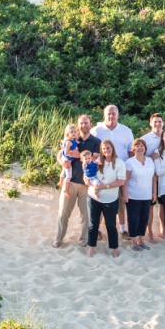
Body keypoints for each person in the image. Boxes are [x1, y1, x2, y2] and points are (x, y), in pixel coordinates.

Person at [53, 113, 101, 248]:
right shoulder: (72, 137)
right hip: (71, 183)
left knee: (86, 216)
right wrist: (62, 161)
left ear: (90, 124)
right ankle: (58, 239)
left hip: (87, 185)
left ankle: (83, 241)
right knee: (63, 213)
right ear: (78, 124)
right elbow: (60, 153)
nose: (83, 125)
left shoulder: (96, 141)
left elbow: (96, 158)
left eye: (86, 123)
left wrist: (78, 155)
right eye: (81, 123)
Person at [94, 105, 135, 237]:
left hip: (120, 172)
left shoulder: (126, 131)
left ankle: (123, 229)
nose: (111, 116)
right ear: (104, 115)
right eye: (108, 114)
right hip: (102, 172)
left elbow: (131, 153)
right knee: (100, 200)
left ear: (118, 115)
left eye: (113, 114)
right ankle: (99, 230)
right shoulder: (96, 131)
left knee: (121, 202)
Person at [87, 138, 126, 258]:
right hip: (94, 197)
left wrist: (105, 186)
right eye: (104, 149)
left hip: (110, 199)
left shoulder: (119, 163)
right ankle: (91, 248)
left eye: (108, 148)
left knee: (111, 224)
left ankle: (114, 248)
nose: (106, 150)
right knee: (93, 224)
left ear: (112, 148)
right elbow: (88, 176)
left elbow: (121, 181)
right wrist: (93, 184)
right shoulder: (97, 161)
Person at [124, 139, 157, 252]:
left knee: (144, 219)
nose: (140, 148)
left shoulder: (150, 161)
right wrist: (125, 194)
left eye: (142, 146)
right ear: (133, 149)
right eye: (137, 146)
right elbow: (126, 179)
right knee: (134, 219)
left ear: (145, 148)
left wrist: (154, 193)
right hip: (133, 196)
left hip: (147, 196)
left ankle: (141, 241)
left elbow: (154, 177)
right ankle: (134, 242)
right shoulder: (129, 162)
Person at [141, 113, 165, 242]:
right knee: (150, 206)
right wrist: (150, 157)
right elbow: (137, 157)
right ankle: (149, 231)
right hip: (151, 178)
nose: (157, 124)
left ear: (163, 123)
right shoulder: (144, 139)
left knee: (163, 205)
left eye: (160, 122)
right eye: (155, 122)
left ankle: (162, 230)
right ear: (150, 123)